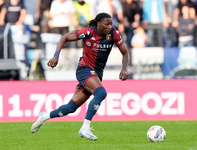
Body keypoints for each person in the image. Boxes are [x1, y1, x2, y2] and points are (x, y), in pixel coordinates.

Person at [30, 12, 130, 141]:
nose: (110, 26)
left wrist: (124, 69)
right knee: (101, 93)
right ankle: (85, 128)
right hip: (85, 70)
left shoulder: (114, 34)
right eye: (107, 24)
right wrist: (56, 55)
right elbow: (64, 38)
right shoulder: (88, 32)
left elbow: (125, 52)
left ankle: (44, 117)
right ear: (99, 24)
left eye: (111, 24)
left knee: (70, 108)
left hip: (96, 74)